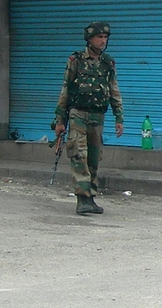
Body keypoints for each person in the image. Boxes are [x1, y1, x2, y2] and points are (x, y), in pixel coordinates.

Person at [52, 22, 124, 215]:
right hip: (78, 114)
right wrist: (60, 120)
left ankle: (90, 197)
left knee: (93, 157)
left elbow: (114, 91)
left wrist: (119, 117)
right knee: (79, 155)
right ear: (89, 39)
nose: (103, 41)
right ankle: (82, 199)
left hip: (98, 116)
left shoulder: (108, 62)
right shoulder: (76, 60)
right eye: (99, 37)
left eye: (105, 38)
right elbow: (65, 89)